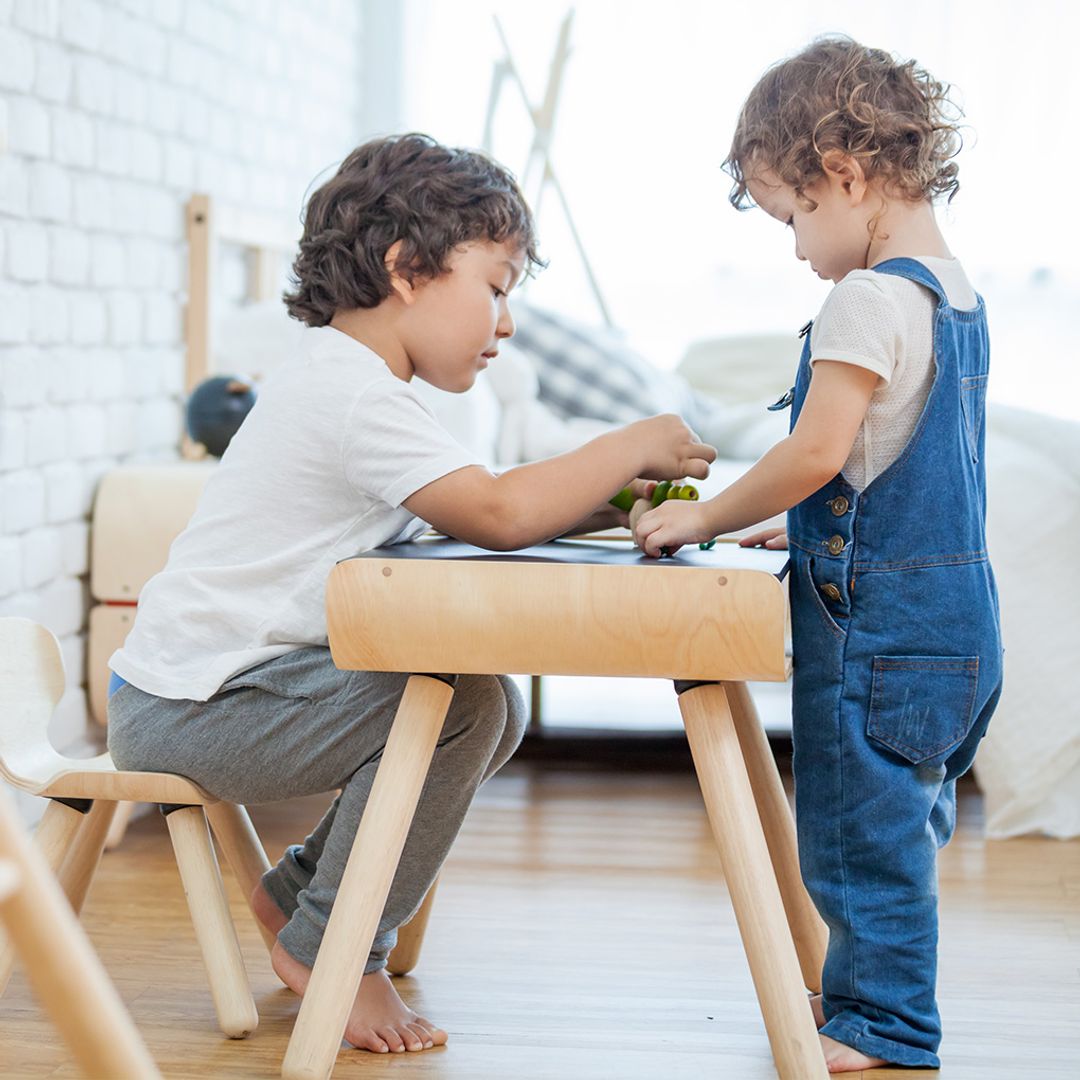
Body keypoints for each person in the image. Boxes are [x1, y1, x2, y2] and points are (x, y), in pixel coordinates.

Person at [107, 134, 715, 1055]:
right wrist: (624, 448)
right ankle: (335, 952)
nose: (506, 324)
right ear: (406, 269)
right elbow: (499, 511)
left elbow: (473, 507)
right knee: (465, 707)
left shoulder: (351, 385)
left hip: (216, 692)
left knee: (488, 709)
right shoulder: (352, 396)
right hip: (194, 709)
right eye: (498, 287)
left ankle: (300, 893)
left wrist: (603, 501)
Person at [634, 37, 1002, 1073]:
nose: (798, 248)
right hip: (962, 629)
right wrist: (795, 521)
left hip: (878, 637)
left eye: (793, 217)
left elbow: (815, 449)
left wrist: (702, 519)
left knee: (854, 846)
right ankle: (869, 1002)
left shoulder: (867, 298)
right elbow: (882, 463)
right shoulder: (957, 298)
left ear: (842, 173)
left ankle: (884, 1030)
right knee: (904, 832)